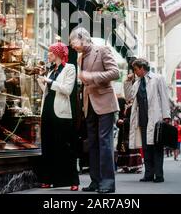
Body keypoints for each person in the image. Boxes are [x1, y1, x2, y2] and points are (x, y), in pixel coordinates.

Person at [69, 27, 119, 194]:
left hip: (105, 102)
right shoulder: (80, 57)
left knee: (105, 143)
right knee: (92, 144)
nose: (72, 46)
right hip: (88, 104)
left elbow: (115, 73)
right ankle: (95, 181)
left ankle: (108, 183)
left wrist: (92, 77)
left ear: (82, 38)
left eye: (73, 42)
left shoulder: (103, 49)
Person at [38, 42, 79, 191]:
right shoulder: (51, 70)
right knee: (48, 146)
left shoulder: (70, 68)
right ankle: (48, 179)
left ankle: (72, 180)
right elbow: (48, 92)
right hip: (47, 110)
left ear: (58, 54)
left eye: (50, 52)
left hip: (61, 113)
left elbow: (67, 90)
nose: (48, 54)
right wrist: (42, 82)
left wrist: (50, 81)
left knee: (64, 146)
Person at [124, 58, 171, 183]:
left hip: (155, 119)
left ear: (142, 68)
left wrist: (166, 115)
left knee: (156, 147)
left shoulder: (157, 78)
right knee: (146, 149)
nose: (134, 72)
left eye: (135, 69)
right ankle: (148, 174)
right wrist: (127, 82)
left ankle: (159, 175)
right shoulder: (137, 83)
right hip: (142, 120)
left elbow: (164, 97)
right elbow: (128, 97)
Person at [116, 99, 143, 173]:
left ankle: (134, 166)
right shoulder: (122, 106)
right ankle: (124, 166)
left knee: (132, 149)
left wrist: (124, 121)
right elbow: (119, 119)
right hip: (123, 134)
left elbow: (134, 120)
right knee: (123, 149)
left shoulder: (133, 107)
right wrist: (118, 122)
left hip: (131, 132)